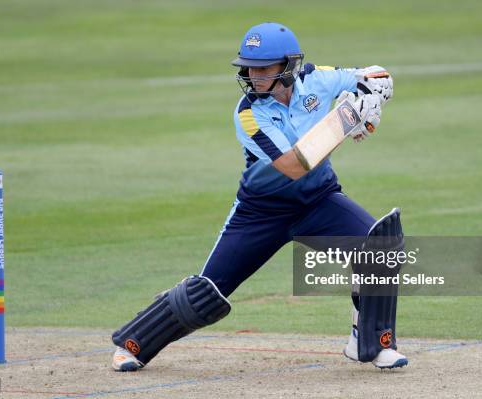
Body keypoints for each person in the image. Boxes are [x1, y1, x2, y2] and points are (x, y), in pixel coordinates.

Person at [110, 22, 407, 372]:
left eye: (263, 68)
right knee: (207, 294)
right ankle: (133, 343)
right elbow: (294, 166)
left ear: (288, 67)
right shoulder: (248, 114)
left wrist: (372, 96)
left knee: (380, 248)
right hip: (261, 213)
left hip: (318, 201)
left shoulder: (316, 80)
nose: (253, 75)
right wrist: (347, 119)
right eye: (248, 67)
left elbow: (376, 75)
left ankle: (372, 341)